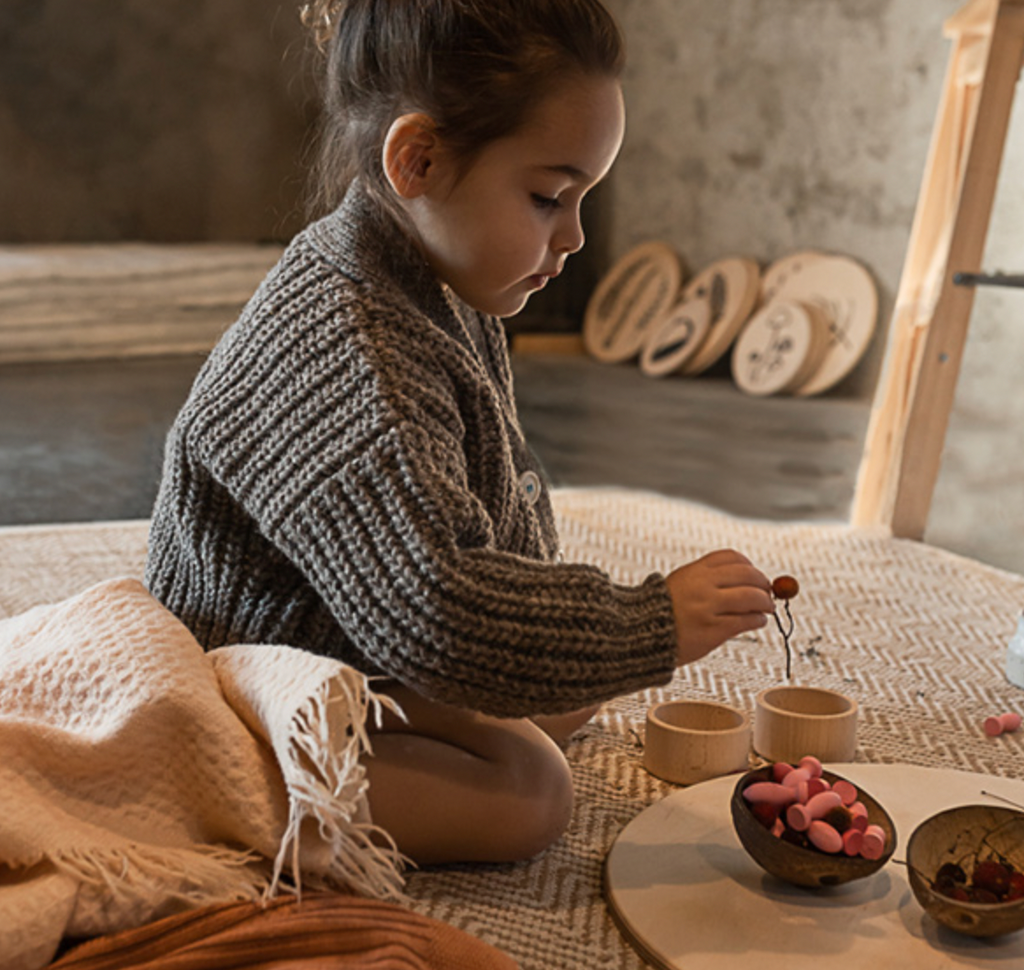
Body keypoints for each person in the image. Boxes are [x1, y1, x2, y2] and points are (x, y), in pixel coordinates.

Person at [145, 0, 774, 867]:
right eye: (550, 195)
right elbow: (436, 611)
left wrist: (578, 641)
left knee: (567, 687)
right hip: (246, 679)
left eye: (585, 198)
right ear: (418, 158)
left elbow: (485, 520)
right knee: (529, 793)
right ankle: (204, 785)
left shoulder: (434, 282)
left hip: (358, 634)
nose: (577, 236)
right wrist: (650, 619)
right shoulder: (347, 346)